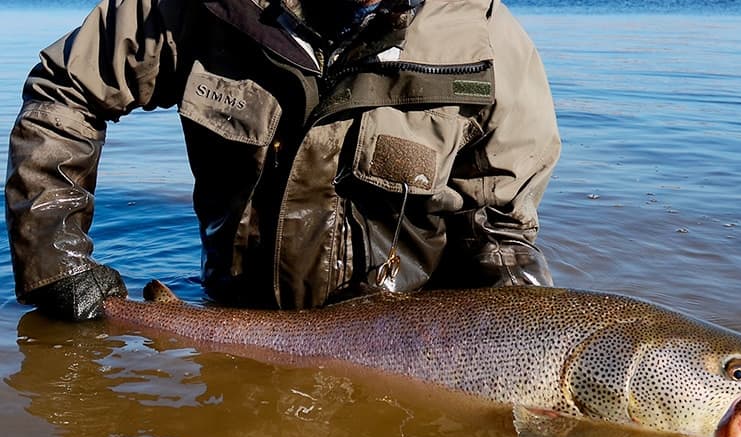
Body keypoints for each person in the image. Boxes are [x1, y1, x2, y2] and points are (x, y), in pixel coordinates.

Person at [5, 0, 561, 321]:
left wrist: (516, 337)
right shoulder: (196, 9)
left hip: (401, 341)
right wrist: (55, 260)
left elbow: (500, 232)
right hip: (229, 319)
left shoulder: (489, 46)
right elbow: (67, 90)